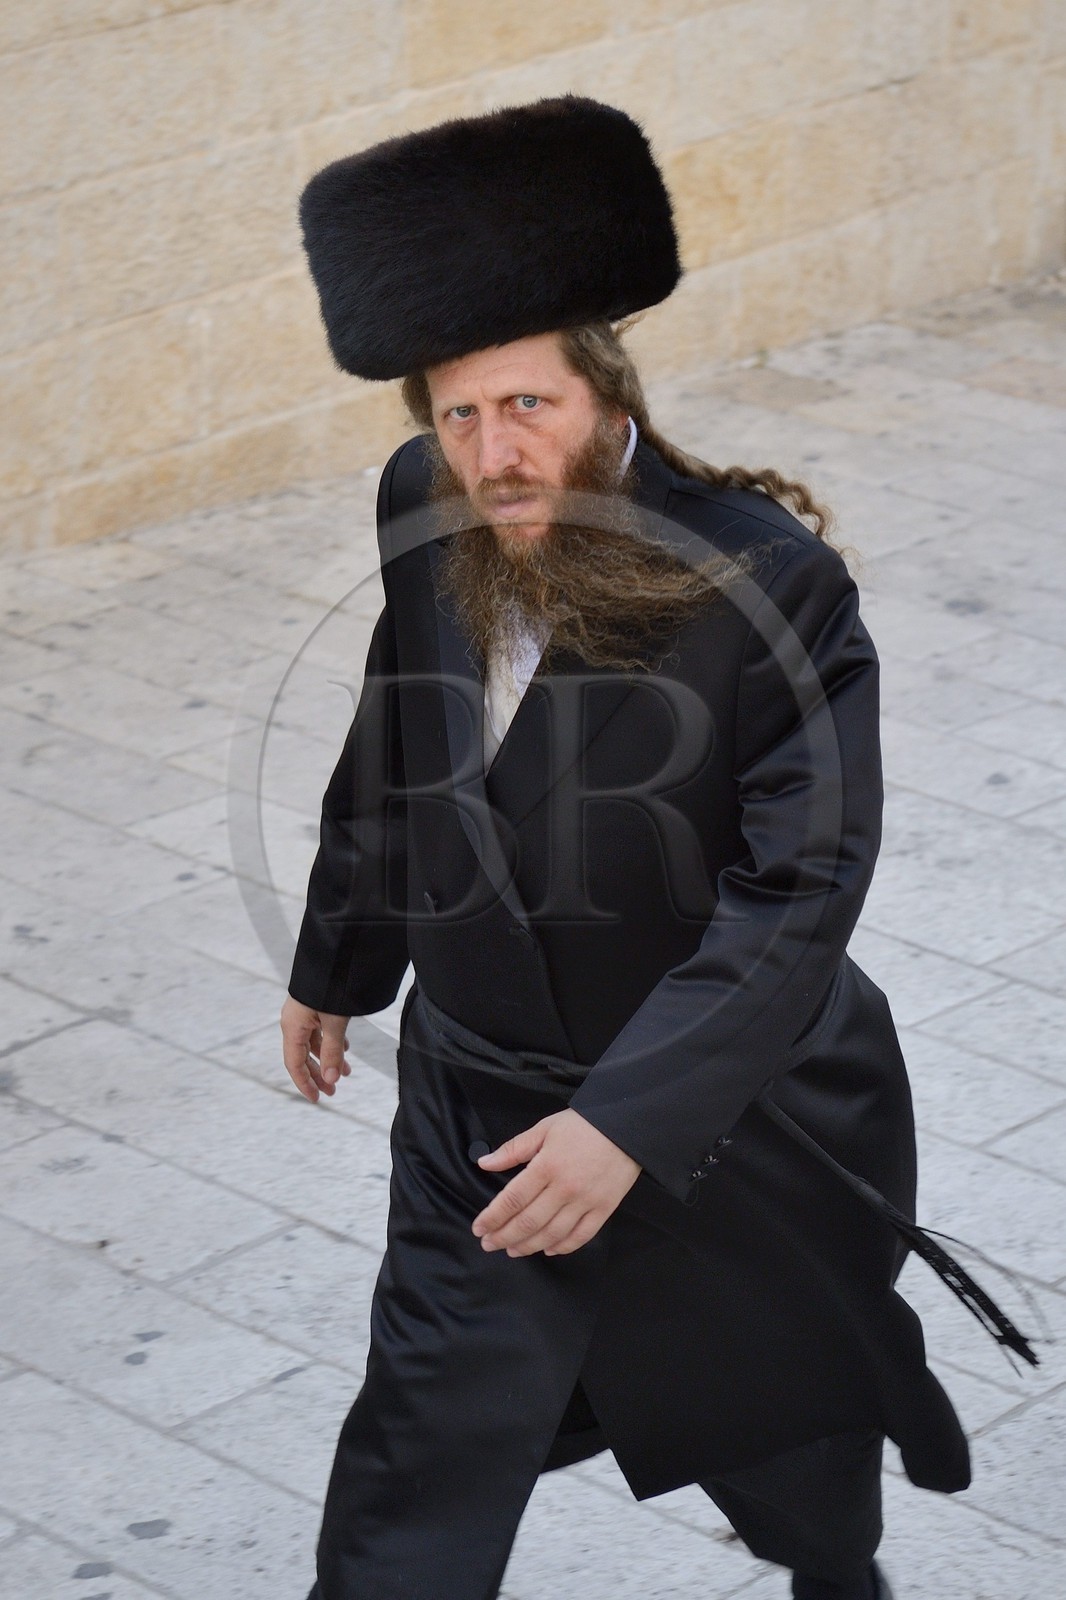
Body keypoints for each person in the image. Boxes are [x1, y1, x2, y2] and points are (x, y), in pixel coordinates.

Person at [279, 96, 982, 1600]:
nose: (491, 454)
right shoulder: (422, 504)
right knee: (413, 1479)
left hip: (730, 1143)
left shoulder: (771, 589)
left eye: (525, 405)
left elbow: (797, 890)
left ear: (608, 398)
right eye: (458, 415)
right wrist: (338, 957)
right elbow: (394, 739)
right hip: (479, 1120)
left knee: (798, 1482)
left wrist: (631, 1124)